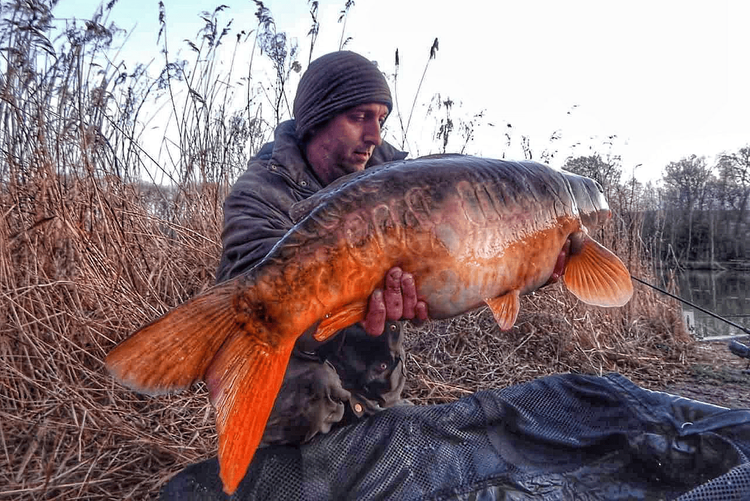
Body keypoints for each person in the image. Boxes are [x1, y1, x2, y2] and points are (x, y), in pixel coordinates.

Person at [215, 50, 427, 446]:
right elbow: (248, 319)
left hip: (375, 386)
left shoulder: (400, 183)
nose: (375, 136)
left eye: (380, 119)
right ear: (316, 120)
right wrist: (356, 303)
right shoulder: (258, 195)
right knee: (305, 394)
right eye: (359, 117)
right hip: (298, 390)